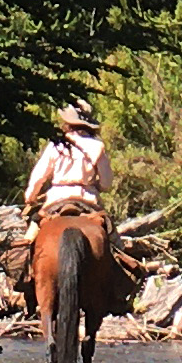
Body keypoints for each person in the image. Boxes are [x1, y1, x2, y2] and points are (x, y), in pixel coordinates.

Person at [21, 101, 111, 279]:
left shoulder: (56, 144)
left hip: (56, 199)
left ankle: (22, 277)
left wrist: (30, 196)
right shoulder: (97, 147)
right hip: (88, 199)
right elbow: (107, 183)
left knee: (28, 241)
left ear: (67, 122)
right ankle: (123, 277)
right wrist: (96, 186)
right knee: (114, 241)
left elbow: (39, 175)